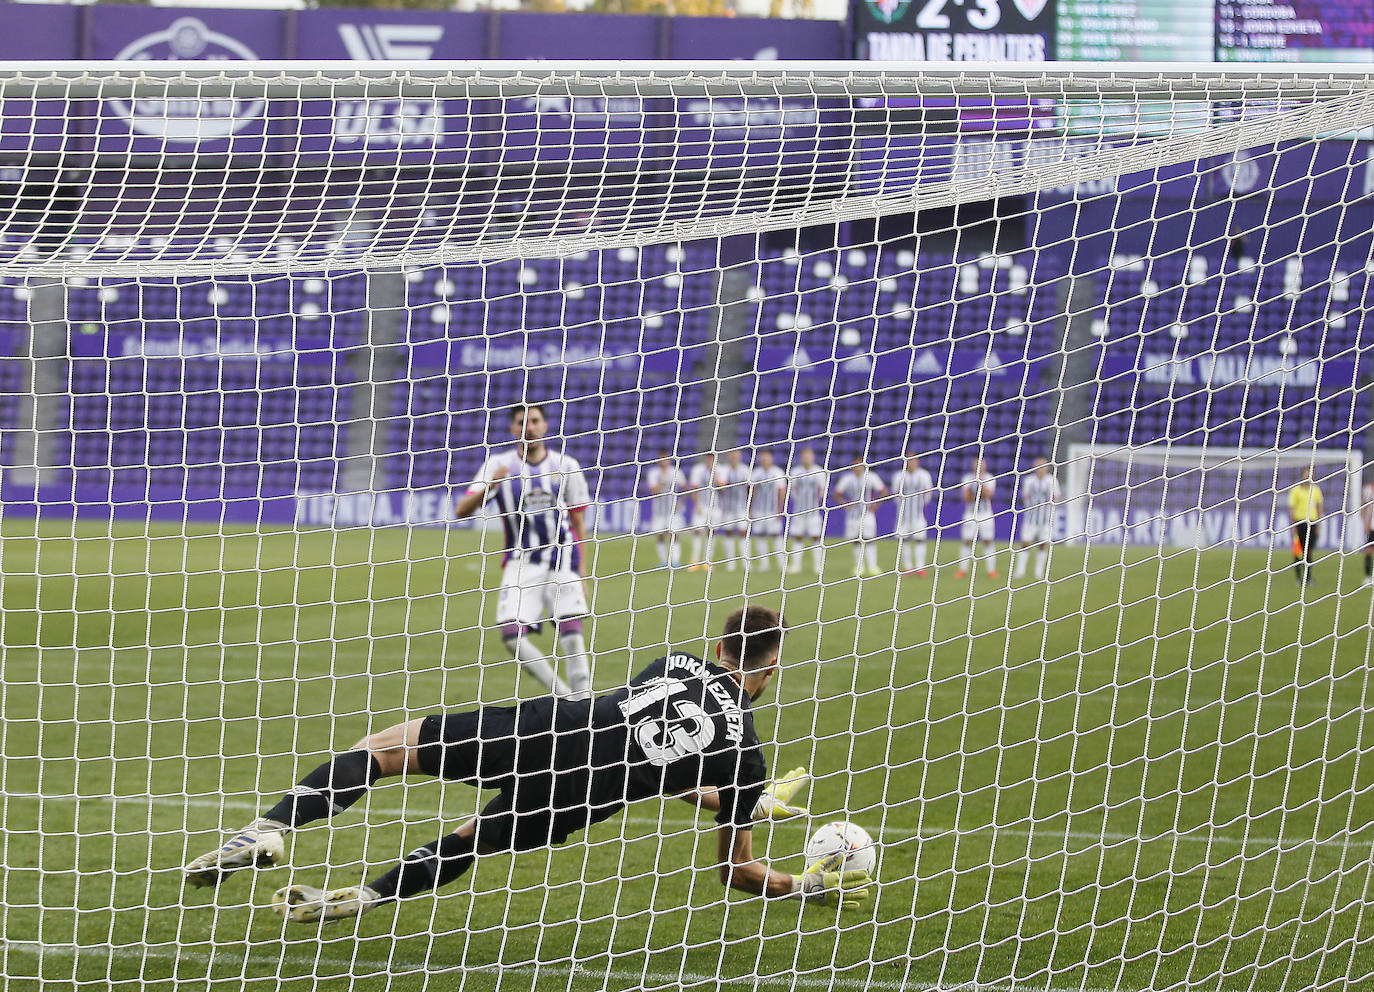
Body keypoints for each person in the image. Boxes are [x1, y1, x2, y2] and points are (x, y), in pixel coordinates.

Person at [182, 606, 872, 922]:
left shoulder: (675, 662)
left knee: (388, 750)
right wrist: (792, 869)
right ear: (771, 669)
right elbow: (732, 869)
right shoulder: (746, 754)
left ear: (721, 647)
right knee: (469, 841)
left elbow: (645, 740)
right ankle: (366, 898)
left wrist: (739, 799)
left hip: (552, 732)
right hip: (581, 798)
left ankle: (269, 830)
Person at [452, 403, 592, 698]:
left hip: (563, 558)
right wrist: (491, 485)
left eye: (535, 421)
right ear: (513, 429)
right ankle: (566, 698)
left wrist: (582, 572)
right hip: (521, 561)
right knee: (511, 636)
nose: (529, 427)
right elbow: (461, 510)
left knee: (572, 635)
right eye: (522, 422)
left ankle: (584, 705)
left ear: (545, 426)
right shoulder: (498, 464)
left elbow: (579, 521)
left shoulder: (567, 465)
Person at [834, 458, 887, 577]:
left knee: (869, 539)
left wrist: (875, 505)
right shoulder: (847, 479)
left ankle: (873, 567)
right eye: (855, 465)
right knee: (856, 540)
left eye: (860, 465)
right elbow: (837, 493)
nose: (857, 468)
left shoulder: (871, 477)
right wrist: (845, 504)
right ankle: (859, 567)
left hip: (867, 514)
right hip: (852, 516)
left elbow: (883, 491)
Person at [1012, 457, 1060, 581]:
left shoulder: (1052, 481)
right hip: (1030, 519)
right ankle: (1020, 571)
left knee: (1042, 545)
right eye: (1039, 466)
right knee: (1025, 543)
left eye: (1043, 466)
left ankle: (1039, 572)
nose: (1041, 469)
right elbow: (1026, 497)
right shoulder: (1029, 481)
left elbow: (1056, 497)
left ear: (1047, 467)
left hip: (1045, 520)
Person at [889, 453, 934, 577]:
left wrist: (921, 504)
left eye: (914, 460)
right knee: (905, 541)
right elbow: (895, 495)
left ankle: (920, 567)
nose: (911, 463)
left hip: (918, 515)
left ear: (917, 461)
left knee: (920, 540)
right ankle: (908, 567)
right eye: (909, 460)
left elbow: (928, 494)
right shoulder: (899, 476)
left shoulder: (924, 475)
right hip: (903, 516)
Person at [787, 447, 829, 574]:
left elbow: (822, 491)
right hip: (799, 512)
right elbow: (792, 490)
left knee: (816, 538)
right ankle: (796, 566)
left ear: (813, 457)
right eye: (804, 456)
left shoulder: (819, 472)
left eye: (808, 456)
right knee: (797, 537)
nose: (806, 459)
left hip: (813, 512)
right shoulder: (795, 472)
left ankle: (817, 566)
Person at [644, 453, 688, 569]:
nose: (664, 461)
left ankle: (675, 561)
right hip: (658, 512)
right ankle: (663, 561)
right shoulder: (653, 473)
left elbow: (685, 488)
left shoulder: (676, 472)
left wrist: (681, 503)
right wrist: (662, 481)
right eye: (662, 459)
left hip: (673, 511)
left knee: (674, 534)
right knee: (660, 536)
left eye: (666, 459)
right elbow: (654, 491)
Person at [957, 456, 998, 579]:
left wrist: (979, 483)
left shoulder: (990, 478)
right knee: (967, 541)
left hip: (986, 514)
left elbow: (988, 495)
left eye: (981, 464)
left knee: (988, 541)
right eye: (976, 464)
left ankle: (991, 571)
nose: (979, 466)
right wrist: (976, 490)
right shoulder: (967, 478)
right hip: (970, 514)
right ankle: (962, 570)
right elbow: (966, 498)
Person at [749, 449, 789, 571]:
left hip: (773, 511)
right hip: (759, 510)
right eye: (762, 457)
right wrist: (750, 508)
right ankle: (763, 564)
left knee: (776, 535)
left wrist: (780, 510)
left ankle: (782, 564)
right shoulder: (756, 473)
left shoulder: (777, 473)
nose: (764, 460)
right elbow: (751, 491)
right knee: (760, 536)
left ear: (771, 458)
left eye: (766, 457)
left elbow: (782, 491)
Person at [687, 452, 724, 571]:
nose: (710, 461)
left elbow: (723, 489)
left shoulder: (721, 470)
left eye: (712, 458)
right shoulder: (698, 470)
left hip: (715, 507)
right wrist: (697, 504)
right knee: (697, 531)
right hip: (701, 506)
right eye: (708, 458)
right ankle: (694, 561)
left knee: (711, 533)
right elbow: (694, 488)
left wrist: (715, 476)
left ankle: (707, 561)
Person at [718, 449, 753, 572]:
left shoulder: (745, 470)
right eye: (732, 455)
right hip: (728, 508)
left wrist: (750, 507)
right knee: (728, 533)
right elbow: (721, 487)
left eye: (736, 455)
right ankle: (730, 562)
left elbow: (750, 489)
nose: (734, 458)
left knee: (744, 533)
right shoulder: (724, 470)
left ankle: (746, 562)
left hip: (741, 508)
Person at [1288, 465, 1322, 586]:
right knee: (1298, 551)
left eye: (1310, 473)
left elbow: (1319, 507)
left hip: (1312, 523)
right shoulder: (1295, 490)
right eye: (1306, 473)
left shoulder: (1316, 490)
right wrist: (1293, 526)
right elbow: (1292, 509)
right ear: (1302, 475)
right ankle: (1298, 578)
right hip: (1299, 523)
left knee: (1309, 552)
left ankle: (1308, 578)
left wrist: (1318, 525)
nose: (1308, 476)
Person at [1361, 467, 1373, 588]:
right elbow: (1363, 508)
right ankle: (1368, 577)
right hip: (1371, 526)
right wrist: (1365, 523)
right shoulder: (1368, 490)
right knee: (1368, 551)